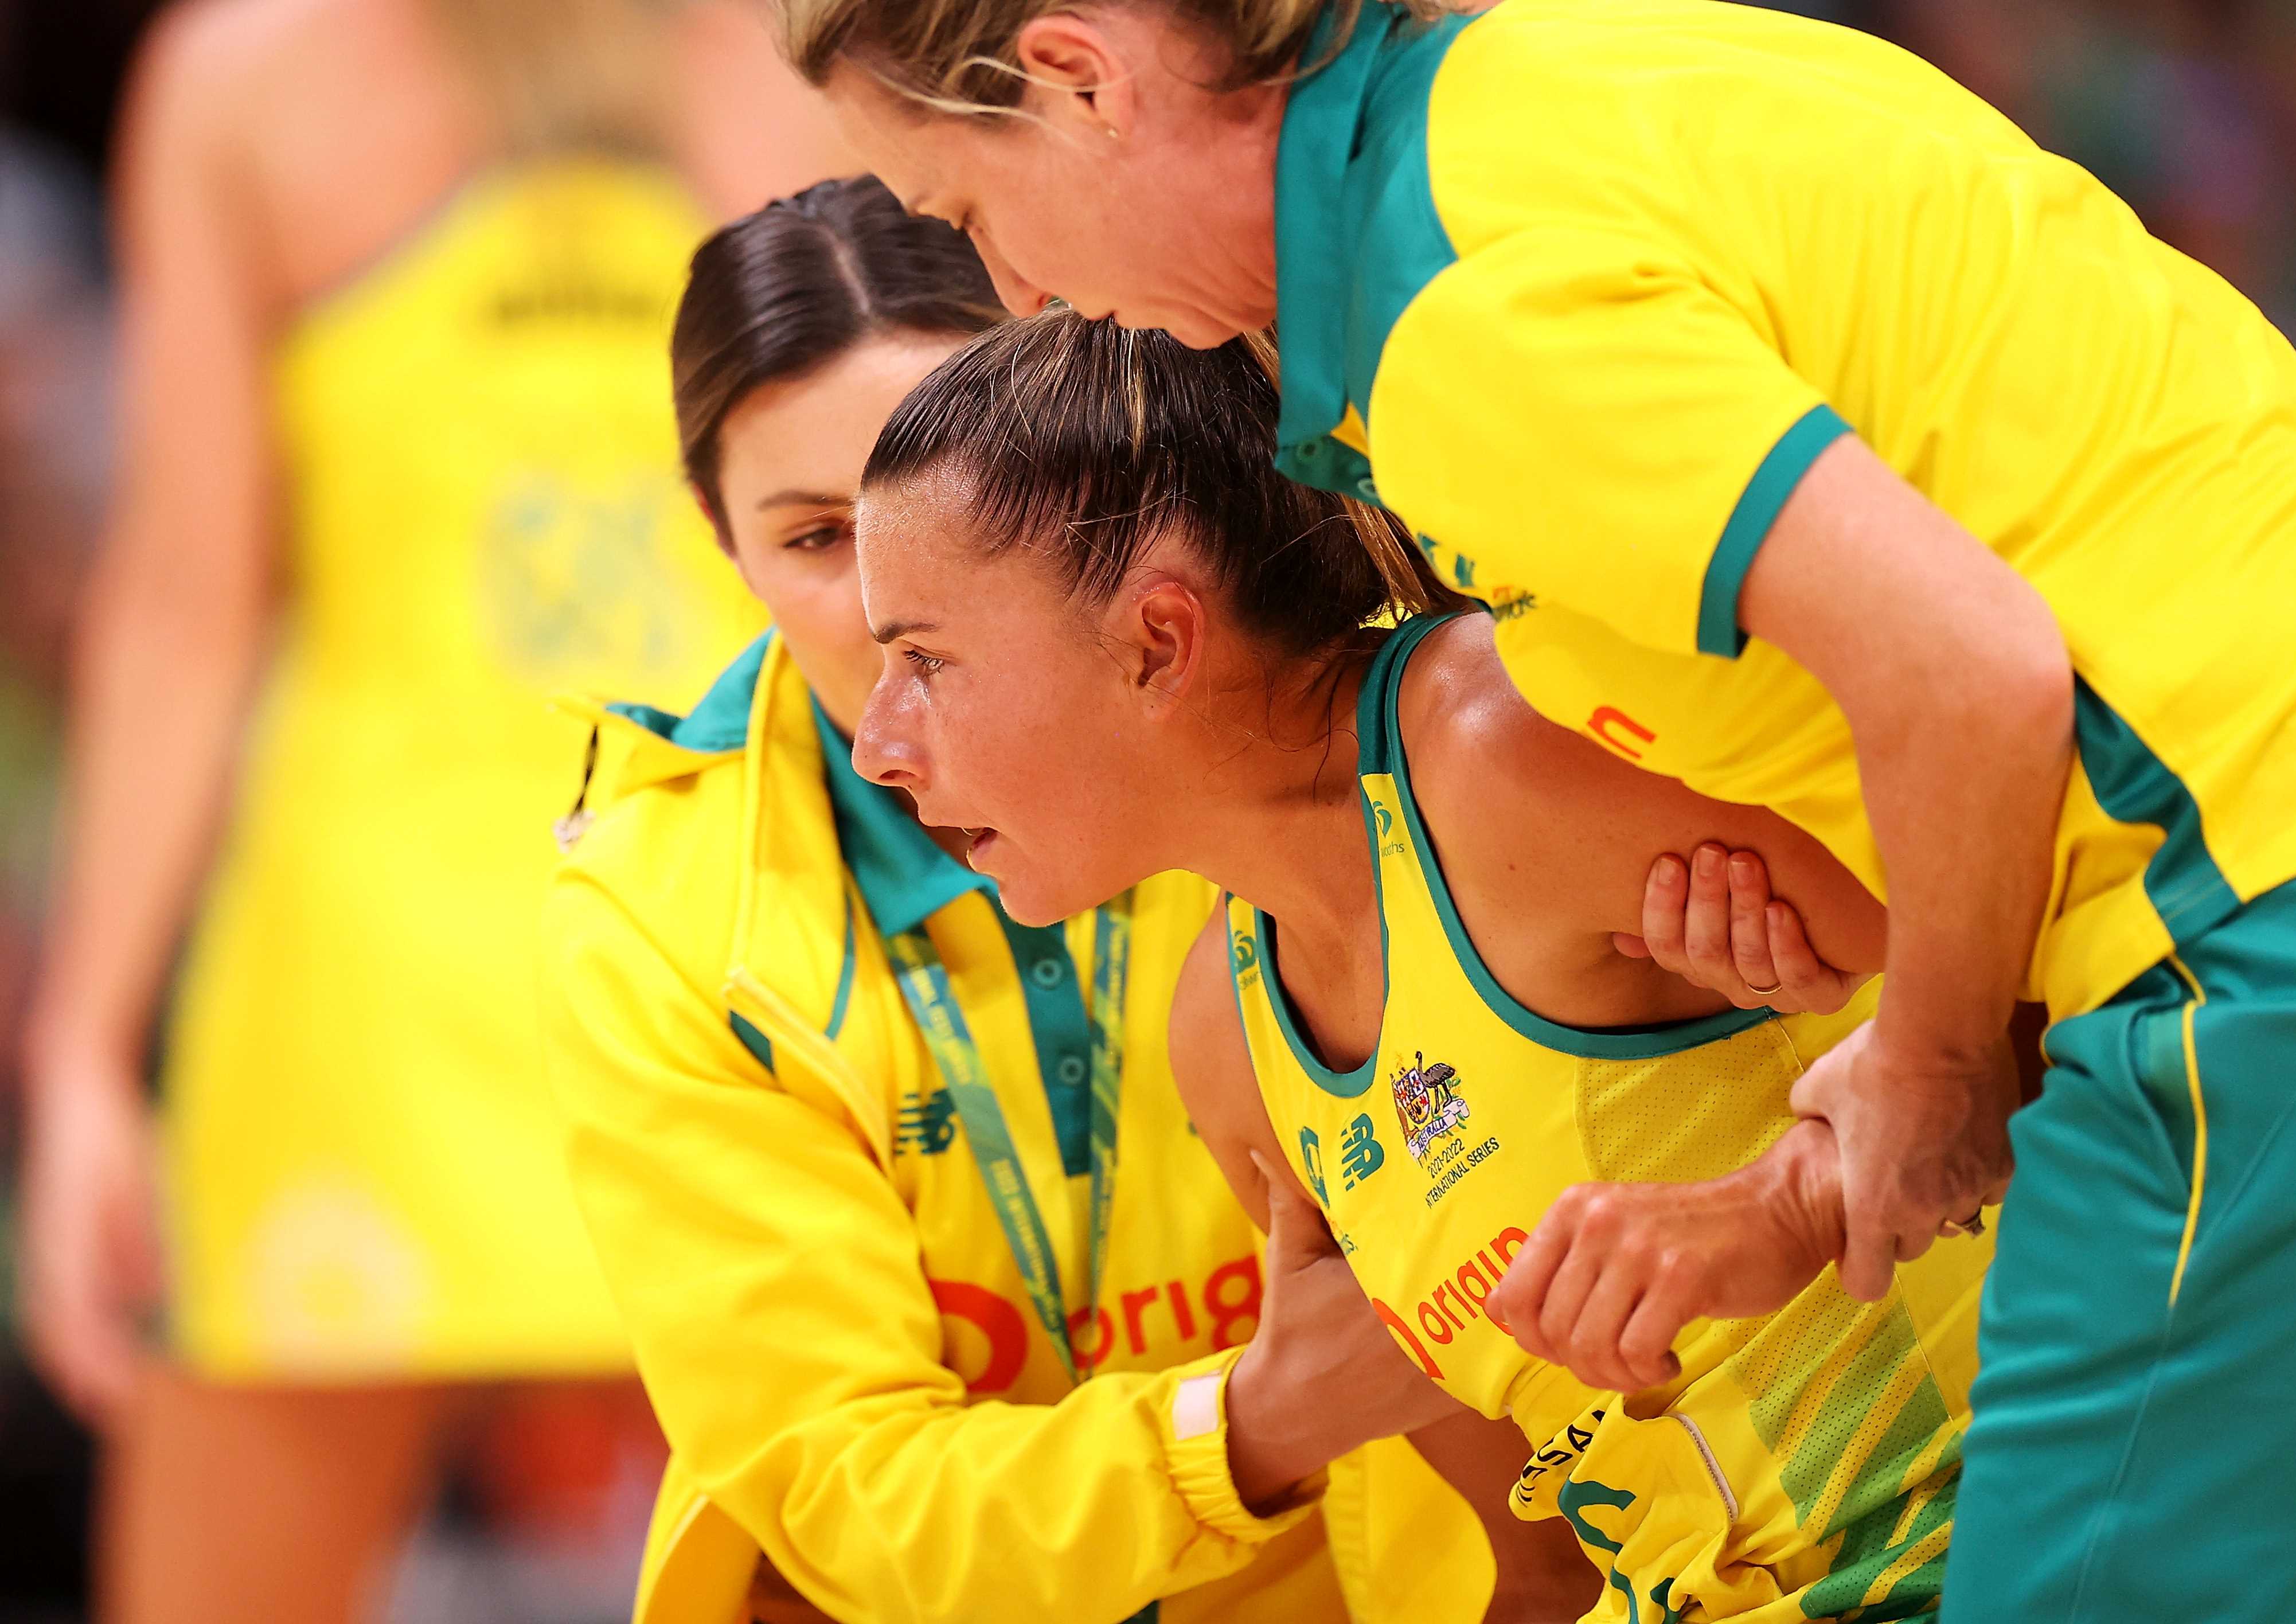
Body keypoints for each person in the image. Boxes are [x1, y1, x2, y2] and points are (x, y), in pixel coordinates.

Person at [770, 3, 2296, 1618]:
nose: (1018, 286)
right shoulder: (1551, 84)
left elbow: (1974, 670)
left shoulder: (1451, 321)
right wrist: (1807, 1172)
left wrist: (1920, 1062)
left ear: (1078, 78)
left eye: (968, 210)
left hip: (2283, 901)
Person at [542, 179, 1607, 1624]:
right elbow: (849, 1492)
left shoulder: (1375, 702)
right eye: (811, 540)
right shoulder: (663, 915)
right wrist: (1261, 1423)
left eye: (932, 504)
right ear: (714, 539)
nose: (884, 598)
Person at [845, 309, 1994, 1618]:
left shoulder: (1508, 755)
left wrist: (1791, 1196)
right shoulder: (1227, 1050)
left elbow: (2109, 1014)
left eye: (925, 661)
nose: (880, 742)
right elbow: (1544, 1568)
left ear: (1159, 642)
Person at [12, 1, 838, 1616]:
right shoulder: (244, 79)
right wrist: (85, 1056)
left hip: (755, 957)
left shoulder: (806, 50)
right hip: (365, 980)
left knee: (870, 1552)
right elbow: (183, 600)